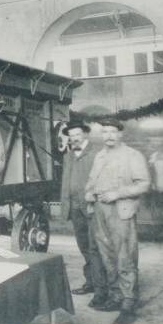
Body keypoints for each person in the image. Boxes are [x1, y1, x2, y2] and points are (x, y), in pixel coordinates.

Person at [85, 118, 150, 324]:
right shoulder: (100, 156)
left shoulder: (132, 155)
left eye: (113, 132)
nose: (109, 136)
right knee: (107, 256)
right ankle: (115, 297)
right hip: (100, 211)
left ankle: (128, 304)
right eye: (105, 132)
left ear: (121, 134)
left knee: (125, 257)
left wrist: (117, 194)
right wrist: (88, 193)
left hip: (121, 210)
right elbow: (91, 181)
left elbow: (144, 184)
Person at [58, 121, 106, 304]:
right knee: (84, 247)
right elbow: (65, 183)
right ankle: (91, 282)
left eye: (77, 134)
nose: (74, 139)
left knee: (96, 248)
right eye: (71, 136)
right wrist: (65, 209)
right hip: (75, 209)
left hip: (92, 208)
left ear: (85, 134)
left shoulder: (97, 154)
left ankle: (102, 288)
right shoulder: (68, 156)